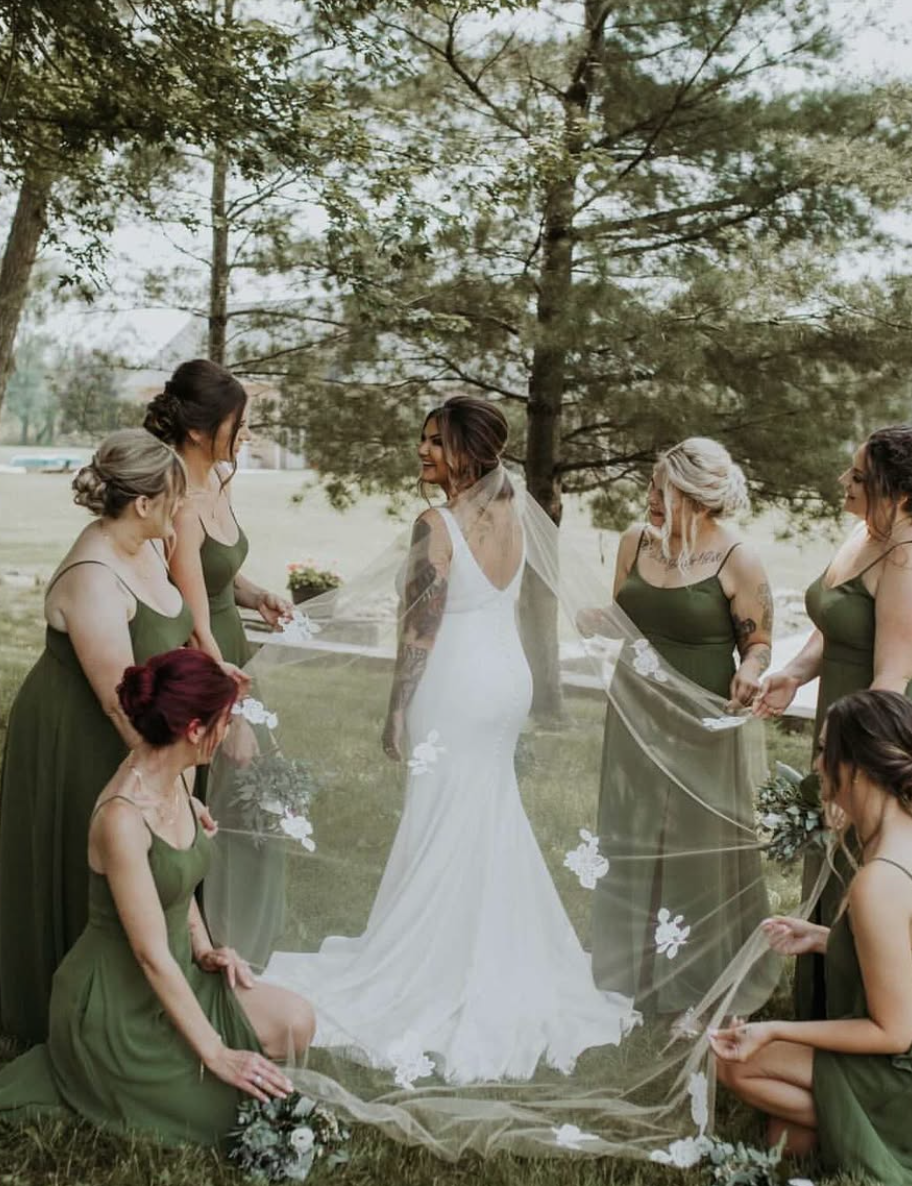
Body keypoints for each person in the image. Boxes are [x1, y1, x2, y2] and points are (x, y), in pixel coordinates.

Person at [258, 396, 639, 1083]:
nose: (423, 451)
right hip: (507, 681)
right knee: (487, 813)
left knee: (440, 816)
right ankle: (495, 950)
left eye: (437, 442)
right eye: (423, 439)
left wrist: (396, 709)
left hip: (455, 685)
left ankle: (431, 960)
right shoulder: (517, 510)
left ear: (467, 450)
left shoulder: (433, 523)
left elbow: (419, 630)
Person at [0, 649, 316, 1148]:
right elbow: (150, 956)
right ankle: (113, 1074)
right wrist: (217, 1054)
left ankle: (196, 1062)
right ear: (194, 728)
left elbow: (179, 878)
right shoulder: (122, 819)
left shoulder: (182, 777)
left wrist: (204, 947)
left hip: (182, 973)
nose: (229, 732)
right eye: (225, 721)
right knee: (242, 1118)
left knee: (298, 1023)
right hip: (116, 1005)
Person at [711, 690, 912, 1185]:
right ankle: (845, 1120)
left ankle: (888, 1129)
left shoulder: (880, 880)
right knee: (780, 1135)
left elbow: (892, 1032)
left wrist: (773, 1030)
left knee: (734, 1067)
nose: (814, 762)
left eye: (822, 749)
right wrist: (820, 938)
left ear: (853, 767)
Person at [753, 425, 912, 1023]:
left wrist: (852, 770)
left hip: (887, 733)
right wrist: (791, 674)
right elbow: (832, 625)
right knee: (839, 863)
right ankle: (833, 1001)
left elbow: (890, 683)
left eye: (859, 476)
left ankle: (897, 1018)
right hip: (846, 720)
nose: (846, 481)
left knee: (879, 861)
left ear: (893, 488)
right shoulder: (863, 533)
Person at [0, 429, 195, 1043]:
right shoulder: (94, 576)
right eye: (175, 494)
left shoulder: (149, 542)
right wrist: (170, 787)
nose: (183, 503)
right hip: (81, 728)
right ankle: (73, 1006)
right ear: (144, 503)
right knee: (90, 842)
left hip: (139, 722)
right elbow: (117, 702)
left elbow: (168, 633)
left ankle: (140, 989)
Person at [587, 439, 773, 1012]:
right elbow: (620, 619)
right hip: (634, 712)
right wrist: (592, 618)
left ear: (697, 496)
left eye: (662, 489)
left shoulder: (735, 558)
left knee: (697, 841)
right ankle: (628, 969)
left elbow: (760, 643)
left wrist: (753, 672)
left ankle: (697, 974)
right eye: (650, 486)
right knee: (631, 829)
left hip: (701, 718)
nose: (651, 499)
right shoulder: (632, 543)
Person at [144, 359, 292, 963]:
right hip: (207, 660)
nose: (247, 433)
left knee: (246, 799)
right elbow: (194, 618)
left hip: (234, 643)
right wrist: (229, 711)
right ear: (203, 430)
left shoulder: (218, 484)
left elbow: (218, 571)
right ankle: (203, 940)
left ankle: (234, 933)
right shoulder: (179, 498)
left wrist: (257, 595)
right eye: (239, 423)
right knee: (216, 797)